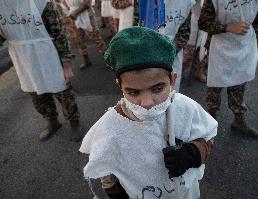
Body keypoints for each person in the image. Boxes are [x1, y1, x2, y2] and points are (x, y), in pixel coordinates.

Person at [80, 26, 217, 199]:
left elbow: (208, 138)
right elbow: (108, 174)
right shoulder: (111, 126)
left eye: (158, 89)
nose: (147, 103)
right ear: (120, 87)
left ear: (172, 80)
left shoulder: (185, 108)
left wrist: (193, 153)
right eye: (133, 92)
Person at [0, 0, 82, 142]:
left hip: (48, 54)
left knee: (63, 91)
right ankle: (52, 121)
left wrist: (67, 65)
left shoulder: (42, 3)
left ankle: (74, 122)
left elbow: (60, 33)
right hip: (24, 59)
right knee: (36, 93)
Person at [198, 0, 258, 138]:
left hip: (243, 46)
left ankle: (239, 120)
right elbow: (203, 23)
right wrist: (229, 27)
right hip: (219, 46)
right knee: (215, 86)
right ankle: (209, 120)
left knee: (239, 83)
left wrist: (250, 35)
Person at [65, 0, 107, 69]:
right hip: (73, 16)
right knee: (79, 39)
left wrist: (75, 13)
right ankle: (86, 59)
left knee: (96, 37)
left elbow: (87, 3)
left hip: (86, 14)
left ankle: (108, 59)